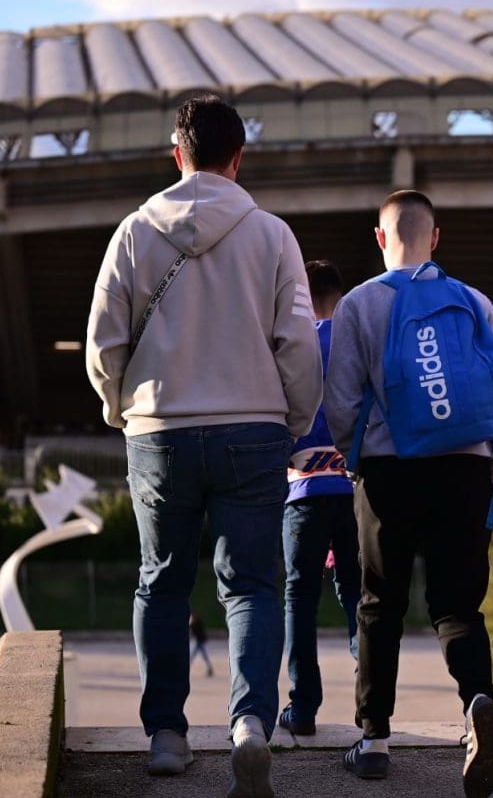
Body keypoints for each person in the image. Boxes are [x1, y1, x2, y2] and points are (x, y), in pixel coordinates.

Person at [86, 94, 321, 797]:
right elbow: (299, 343)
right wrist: (296, 421)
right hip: (253, 427)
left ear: (175, 153)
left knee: (161, 578)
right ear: (239, 157)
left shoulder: (134, 231)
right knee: (251, 584)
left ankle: (165, 735)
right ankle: (249, 723)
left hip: (159, 429)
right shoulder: (273, 235)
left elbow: (104, 342)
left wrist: (119, 408)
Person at [326, 190, 493, 797]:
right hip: (465, 467)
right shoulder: (474, 301)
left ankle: (375, 739)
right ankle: (477, 704)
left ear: (380, 238)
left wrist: (355, 459)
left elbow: (341, 398)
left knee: (379, 603)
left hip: (389, 470)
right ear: (435, 238)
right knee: (458, 606)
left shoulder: (359, 303)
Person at [280, 259, 361, 737]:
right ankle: (370, 702)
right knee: (358, 595)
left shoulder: (296, 346)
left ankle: (303, 706)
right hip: (355, 489)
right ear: (340, 295)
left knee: (299, 599)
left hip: (304, 489)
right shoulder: (357, 344)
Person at [188, 613, 213, 678]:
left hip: (196, 642)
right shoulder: (197, 623)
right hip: (198, 641)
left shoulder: (194, 624)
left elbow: (192, 632)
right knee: (204, 656)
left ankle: (185, 669)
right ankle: (209, 669)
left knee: (191, 656)